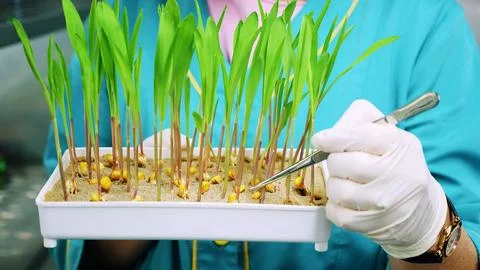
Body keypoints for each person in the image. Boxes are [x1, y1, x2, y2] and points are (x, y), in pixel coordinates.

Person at [44, 0, 480, 269]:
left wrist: (425, 230)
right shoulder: (126, 12)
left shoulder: (423, 19)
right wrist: (130, 208)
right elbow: (72, 238)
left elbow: (469, 246)